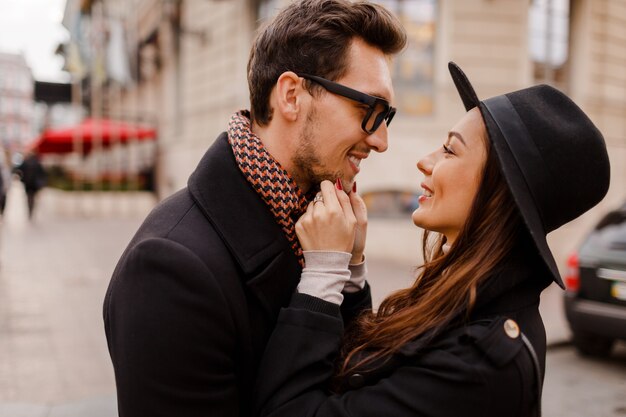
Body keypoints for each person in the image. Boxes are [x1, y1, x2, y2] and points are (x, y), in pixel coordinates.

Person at [253, 62, 611, 417]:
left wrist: (323, 272)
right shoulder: (467, 294)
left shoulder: (482, 366)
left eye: (450, 150)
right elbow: (365, 373)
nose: (425, 161)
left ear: (498, 191)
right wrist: (351, 267)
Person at [103, 1, 406, 416]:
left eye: (386, 115)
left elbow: (350, 389)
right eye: (369, 110)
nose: (381, 140)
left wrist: (347, 271)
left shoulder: (317, 225)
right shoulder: (168, 267)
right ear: (292, 96)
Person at [15, 152, 46, 220]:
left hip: (27, 183)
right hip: (34, 184)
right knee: (33, 197)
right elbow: (42, 173)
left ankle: (30, 208)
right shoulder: (37, 163)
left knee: (29, 196)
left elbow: (17, 169)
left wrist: (21, 178)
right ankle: (31, 208)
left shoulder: (25, 163)